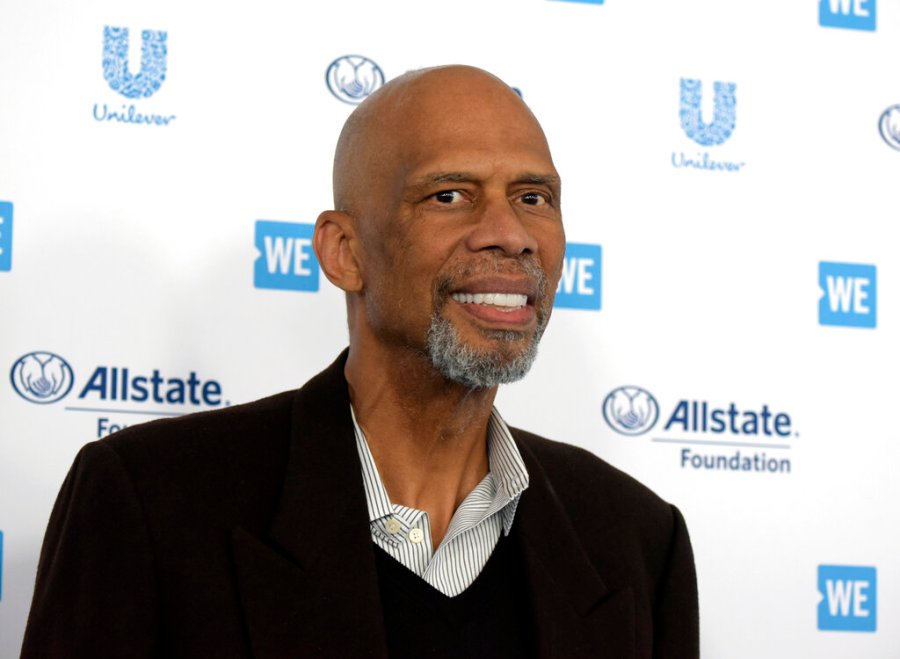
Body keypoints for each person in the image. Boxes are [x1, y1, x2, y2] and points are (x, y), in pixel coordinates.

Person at [22, 65, 699, 658]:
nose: (510, 235)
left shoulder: (637, 541)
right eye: (449, 195)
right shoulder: (151, 503)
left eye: (533, 198)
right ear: (344, 251)